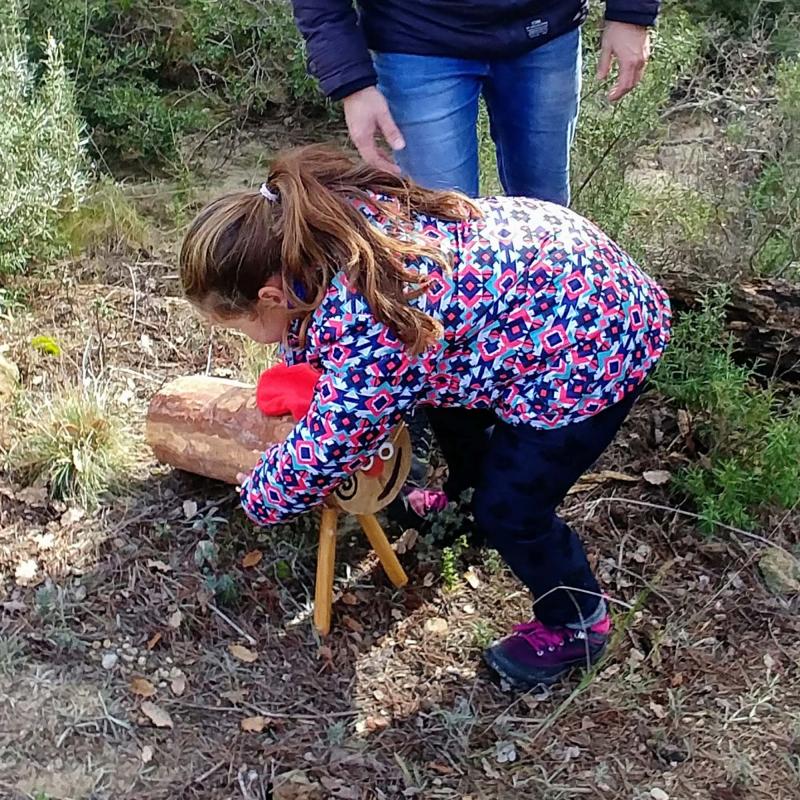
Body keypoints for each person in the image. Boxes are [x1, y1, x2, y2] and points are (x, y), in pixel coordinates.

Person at [179, 145, 671, 689]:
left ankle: (577, 622)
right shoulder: (315, 233)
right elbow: (321, 345)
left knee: (513, 507)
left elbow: (334, 441)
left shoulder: (370, 312)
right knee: (450, 412)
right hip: (551, 293)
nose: (248, 337)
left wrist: (264, 495)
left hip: (594, 343)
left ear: (270, 294)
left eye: (240, 325)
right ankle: (464, 504)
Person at [291, 0, 660, 205]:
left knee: (547, 215)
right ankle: (456, 342)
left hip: (545, 28)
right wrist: (352, 82)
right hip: (416, 40)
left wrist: (631, 13)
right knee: (442, 229)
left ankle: (539, 339)